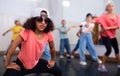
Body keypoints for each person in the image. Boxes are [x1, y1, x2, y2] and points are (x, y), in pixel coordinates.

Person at [93, 1, 120, 72]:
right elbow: (95, 20)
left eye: (112, 6)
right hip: (105, 36)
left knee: (117, 51)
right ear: (107, 8)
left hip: (113, 36)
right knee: (109, 50)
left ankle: (119, 63)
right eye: (109, 6)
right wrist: (89, 22)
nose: (111, 7)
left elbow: (118, 26)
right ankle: (101, 66)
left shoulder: (117, 16)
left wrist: (108, 28)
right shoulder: (103, 16)